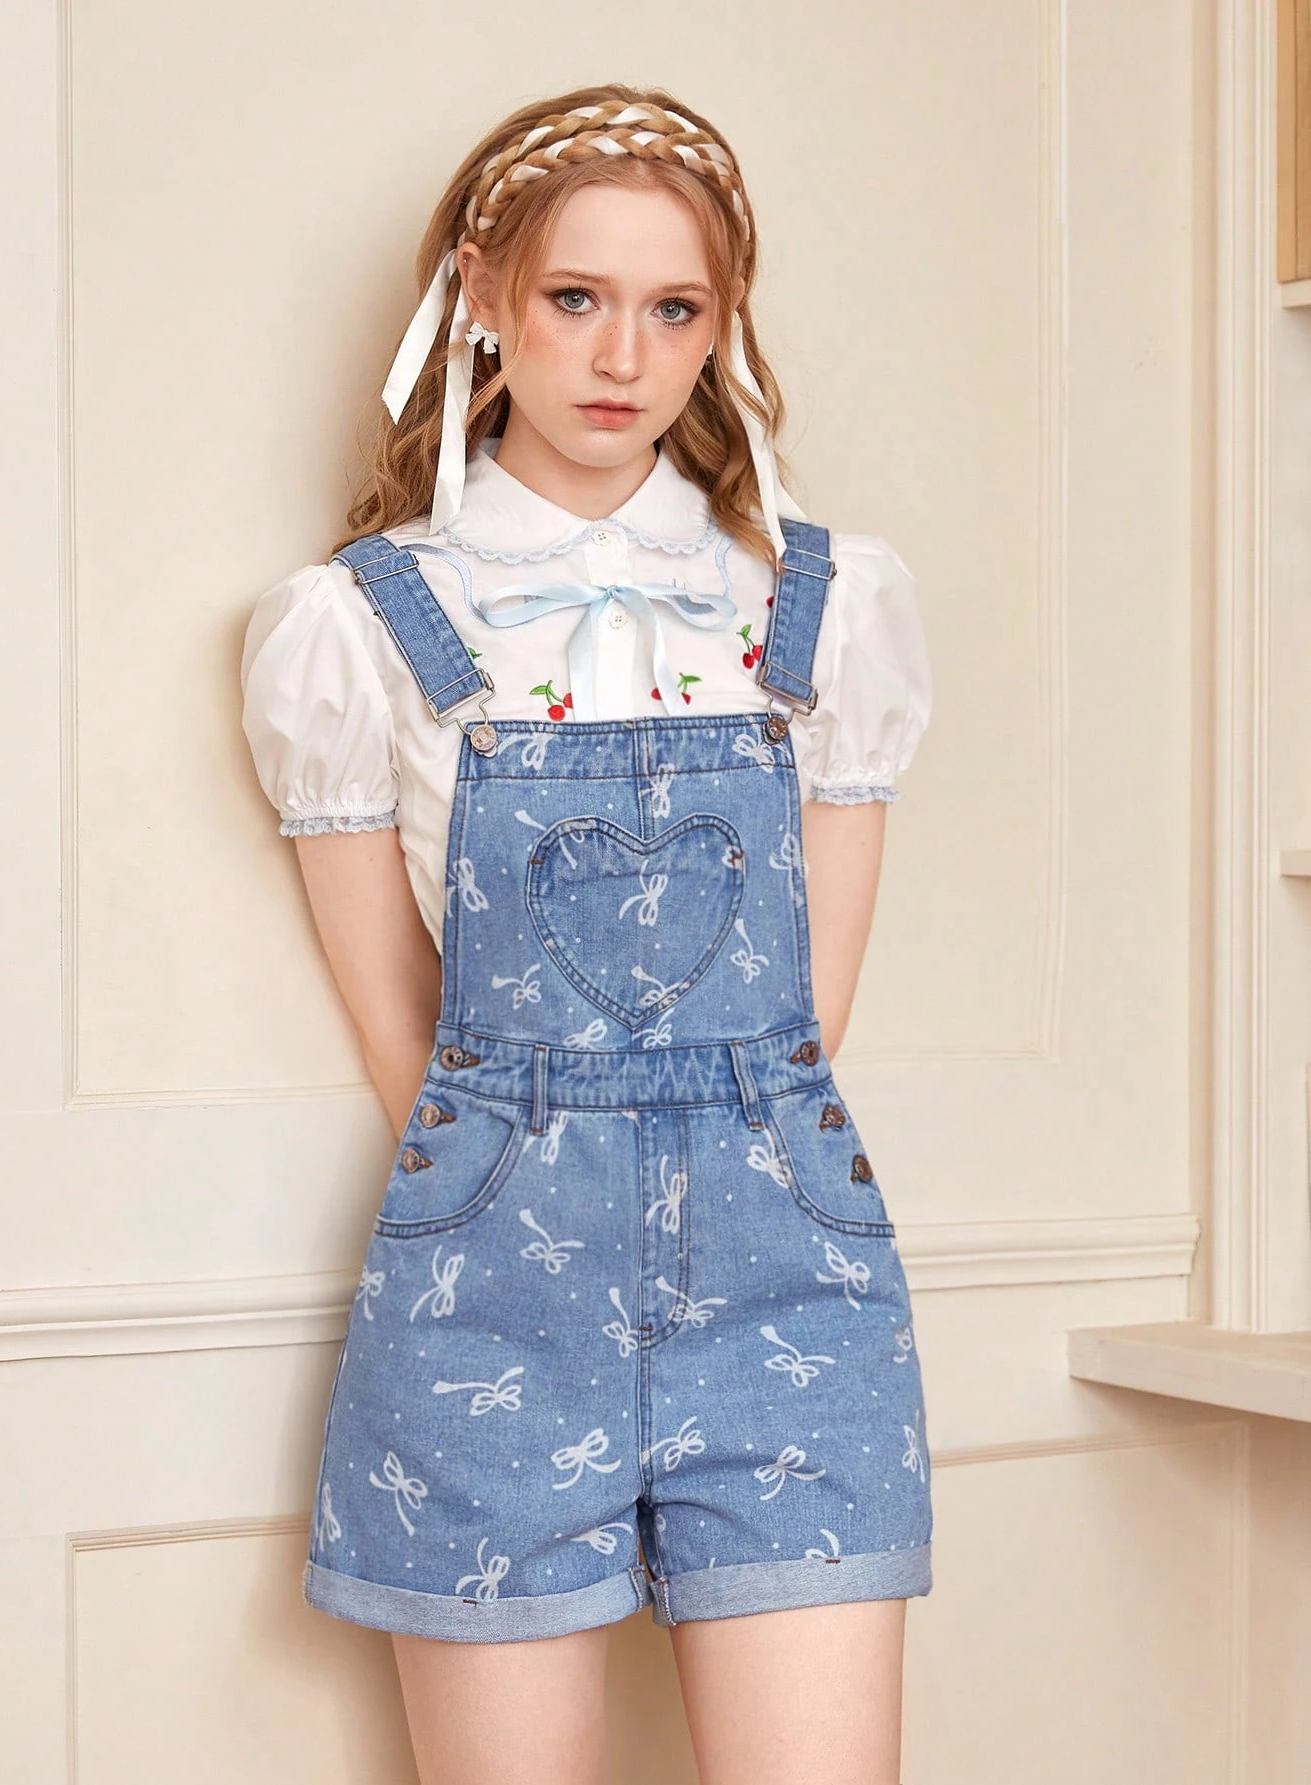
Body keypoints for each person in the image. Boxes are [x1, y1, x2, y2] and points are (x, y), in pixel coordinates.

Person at [240, 82, 934, 1785]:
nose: (625, 356)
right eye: (576, 297)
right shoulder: (359, 622)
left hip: (788, 1276)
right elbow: (402, 1030)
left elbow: (809, 1013)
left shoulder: (825, 604)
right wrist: (530, 1171)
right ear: (483, 295)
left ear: (724, 326)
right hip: (489, 1279)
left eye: (675, 308)